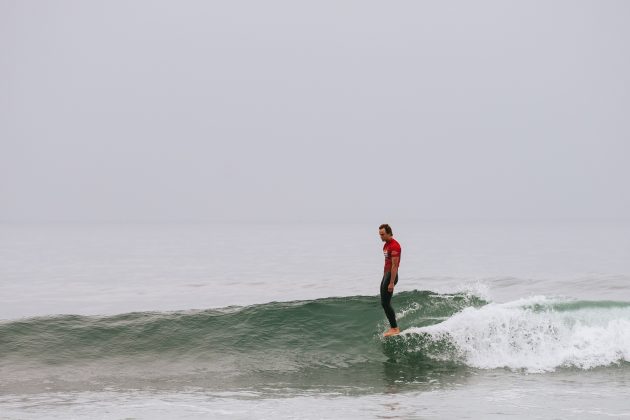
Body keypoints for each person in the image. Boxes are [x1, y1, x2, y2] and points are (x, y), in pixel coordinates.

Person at [379, 224, 401, 337]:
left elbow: (394, 266)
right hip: (386, 275)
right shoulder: (386, 245)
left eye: (382, 234)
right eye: (380, 234)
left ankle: (394, 328)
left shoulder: (395, 246)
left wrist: (391, 282)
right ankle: (393, 325)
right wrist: (384, 277)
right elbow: (386, 263)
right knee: (384, 303)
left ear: (388, 233)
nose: (380, 236)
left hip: (391, 275)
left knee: (385, 303)